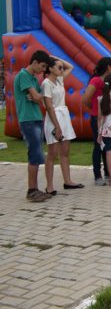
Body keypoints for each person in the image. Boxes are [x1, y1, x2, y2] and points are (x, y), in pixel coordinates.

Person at [41, 56, 82, 195]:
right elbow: (49, 107)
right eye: (58, 67)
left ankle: (68, 181)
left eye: (61, 67)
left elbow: (70, 66)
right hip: (54, 117)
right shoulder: (46, 83)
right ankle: (49, 186)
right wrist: (57, 126)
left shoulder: (59, 79)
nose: (61, 69)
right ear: (50, 68)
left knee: (65, 151)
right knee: (52, 153)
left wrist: (54, 58)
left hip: (64, 116)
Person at [15, 50, 52, 202]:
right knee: (34, 155)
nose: (43, 70)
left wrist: (37, 97)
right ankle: (31, 190)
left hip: (36, 118)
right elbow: (37, 97)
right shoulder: (23, 75)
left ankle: (35, 189)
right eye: (42, 66)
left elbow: (37, 99)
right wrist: (40, 95)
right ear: (35, 62)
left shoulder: (33, 79)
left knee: (37, 154)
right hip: (28, 119)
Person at [82, 57, 111, 185]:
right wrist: (95, 110)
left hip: (107, 118)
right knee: (98, 146)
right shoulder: (96, 80)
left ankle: (108, 172)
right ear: (108, 67)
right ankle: (97, 176)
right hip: (97, 118)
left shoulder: (107, 81)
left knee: (107, 146)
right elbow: (85, 99)